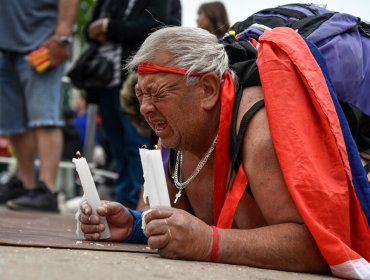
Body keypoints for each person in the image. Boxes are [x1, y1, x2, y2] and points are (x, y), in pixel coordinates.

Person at [78, 26, 370, 279]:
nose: (145, 108)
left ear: (207, 90)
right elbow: (176, 222)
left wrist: (210, 243)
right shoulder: (177, 135)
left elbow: (319, 246)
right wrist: (133, 225)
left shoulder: (260, 133)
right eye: (142, 95)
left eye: (158, 93)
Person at [84, 0, 181, 209]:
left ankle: (139, 201)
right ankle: (124, 195)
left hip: (134, 79)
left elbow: (156, 31)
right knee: (115, 141)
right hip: (104, 79)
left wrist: (109, 27)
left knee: (136, 141)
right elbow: (89, 28)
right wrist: (95, 29)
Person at [0, 0, 79, 212]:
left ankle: (47, 189)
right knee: (13, 122)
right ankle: (26, 185)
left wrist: (62, 35)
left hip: (42, 42)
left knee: (44, 118)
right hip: (5, 46)